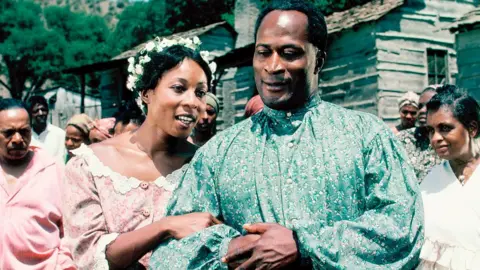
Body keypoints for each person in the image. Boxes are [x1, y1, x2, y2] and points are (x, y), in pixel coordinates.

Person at [150, 1, 423, 269]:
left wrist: (303, 245)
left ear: (319, 61)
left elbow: (401, 227)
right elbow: (171, 251)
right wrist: (231, 250)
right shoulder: (219, 151)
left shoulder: (367, 137)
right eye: (263, 52)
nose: (273, 66)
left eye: (290, 53)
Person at [61, 36, 221, 269]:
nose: (193, 102)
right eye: (179, 88)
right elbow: (89, 257)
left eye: (200, 92)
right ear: (146, 92)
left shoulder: (206, 166)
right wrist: (165, 226)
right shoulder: (90, 166)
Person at [0, 98, 75, 270]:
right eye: (8, 132)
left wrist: (63, 263)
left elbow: (73, 229)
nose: (18, 139)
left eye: (24, 132)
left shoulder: (52, 169)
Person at [418, 85, 480, 269]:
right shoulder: (431, 181)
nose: (435, 138)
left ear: (472, 129)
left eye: (445, 128)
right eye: (430, 130)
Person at [397, 85, 442, 182]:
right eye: (420, 106)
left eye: (429, 106)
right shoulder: (403, 139)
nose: (421, 110)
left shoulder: (448, 141)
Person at [27, 95, 66, 162]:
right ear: (30, 114)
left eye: (43, 110)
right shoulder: (26, 135)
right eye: (36, 111)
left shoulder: (60, 134)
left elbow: (62, 160)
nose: (41, 113)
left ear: (47, 111)